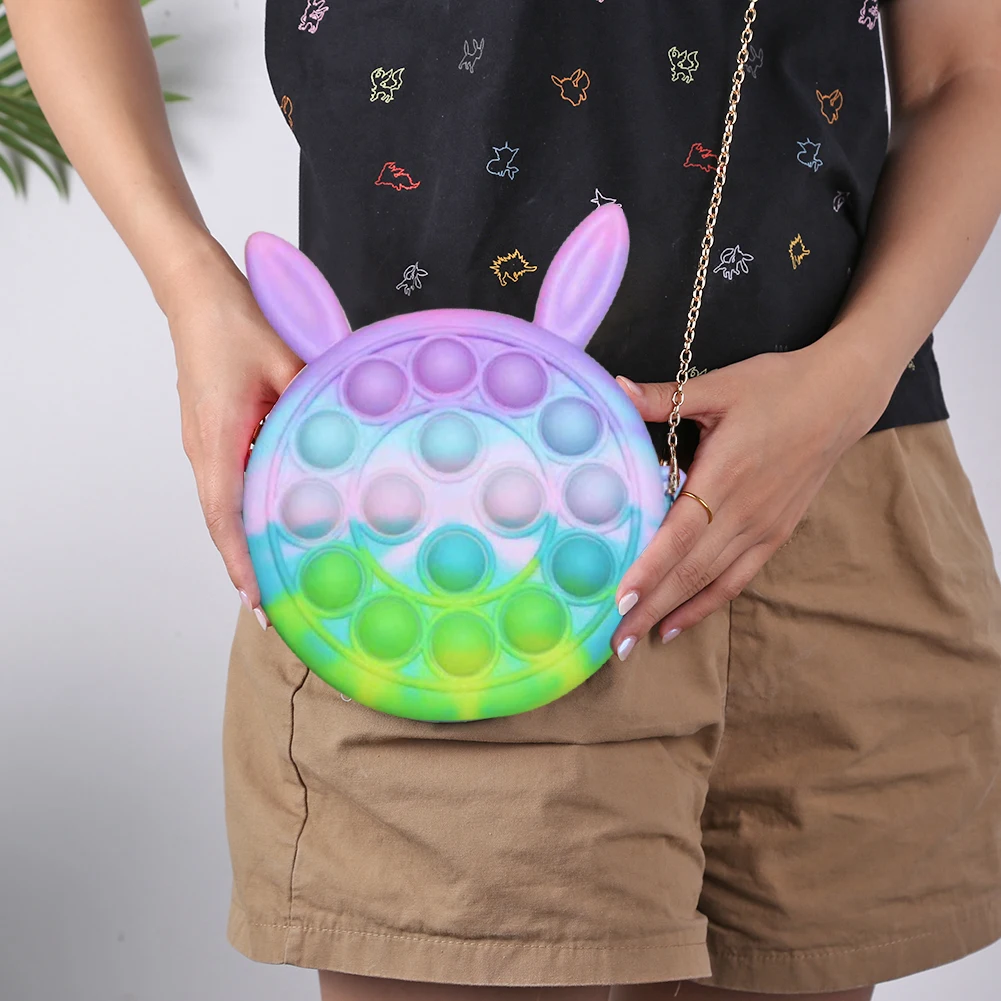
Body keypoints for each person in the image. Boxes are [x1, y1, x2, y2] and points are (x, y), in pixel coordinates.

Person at [9, 0, 1001, 998]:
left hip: (817, 488)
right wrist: (188, 282)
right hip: (434, 519)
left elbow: (970, 70)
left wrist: (852, 378)